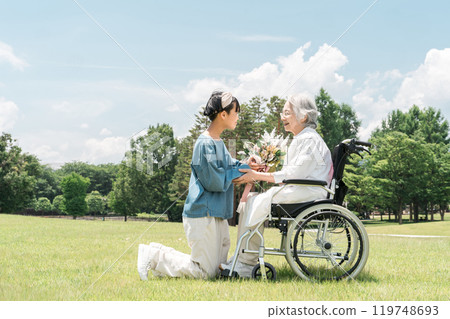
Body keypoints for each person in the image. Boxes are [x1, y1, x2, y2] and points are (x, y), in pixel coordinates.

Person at [137, 91, 249, 280]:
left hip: (217, 213)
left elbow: (230, 166)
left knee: (215, 271)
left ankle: (157, 255)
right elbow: (214, 180)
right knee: (204, 272)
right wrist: (241, 172)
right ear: (223, 114)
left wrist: (248, 165)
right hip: (203, 213)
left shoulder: (218, 142)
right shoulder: (204, 143)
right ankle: (154, 256)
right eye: (236, 112)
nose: (238, 117)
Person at [222, 94, 333, 277]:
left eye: (287, 113)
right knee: (251, 198)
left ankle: (245, 262)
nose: (282, 118)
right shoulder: (303, 138)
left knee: (253, 200)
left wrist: (257, 175)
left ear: (303, 116)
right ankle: (243, 258)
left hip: (308, 192)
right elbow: (292, 173)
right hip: (303, 189)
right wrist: (263, 172)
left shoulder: (309, 140)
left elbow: (292, 174)